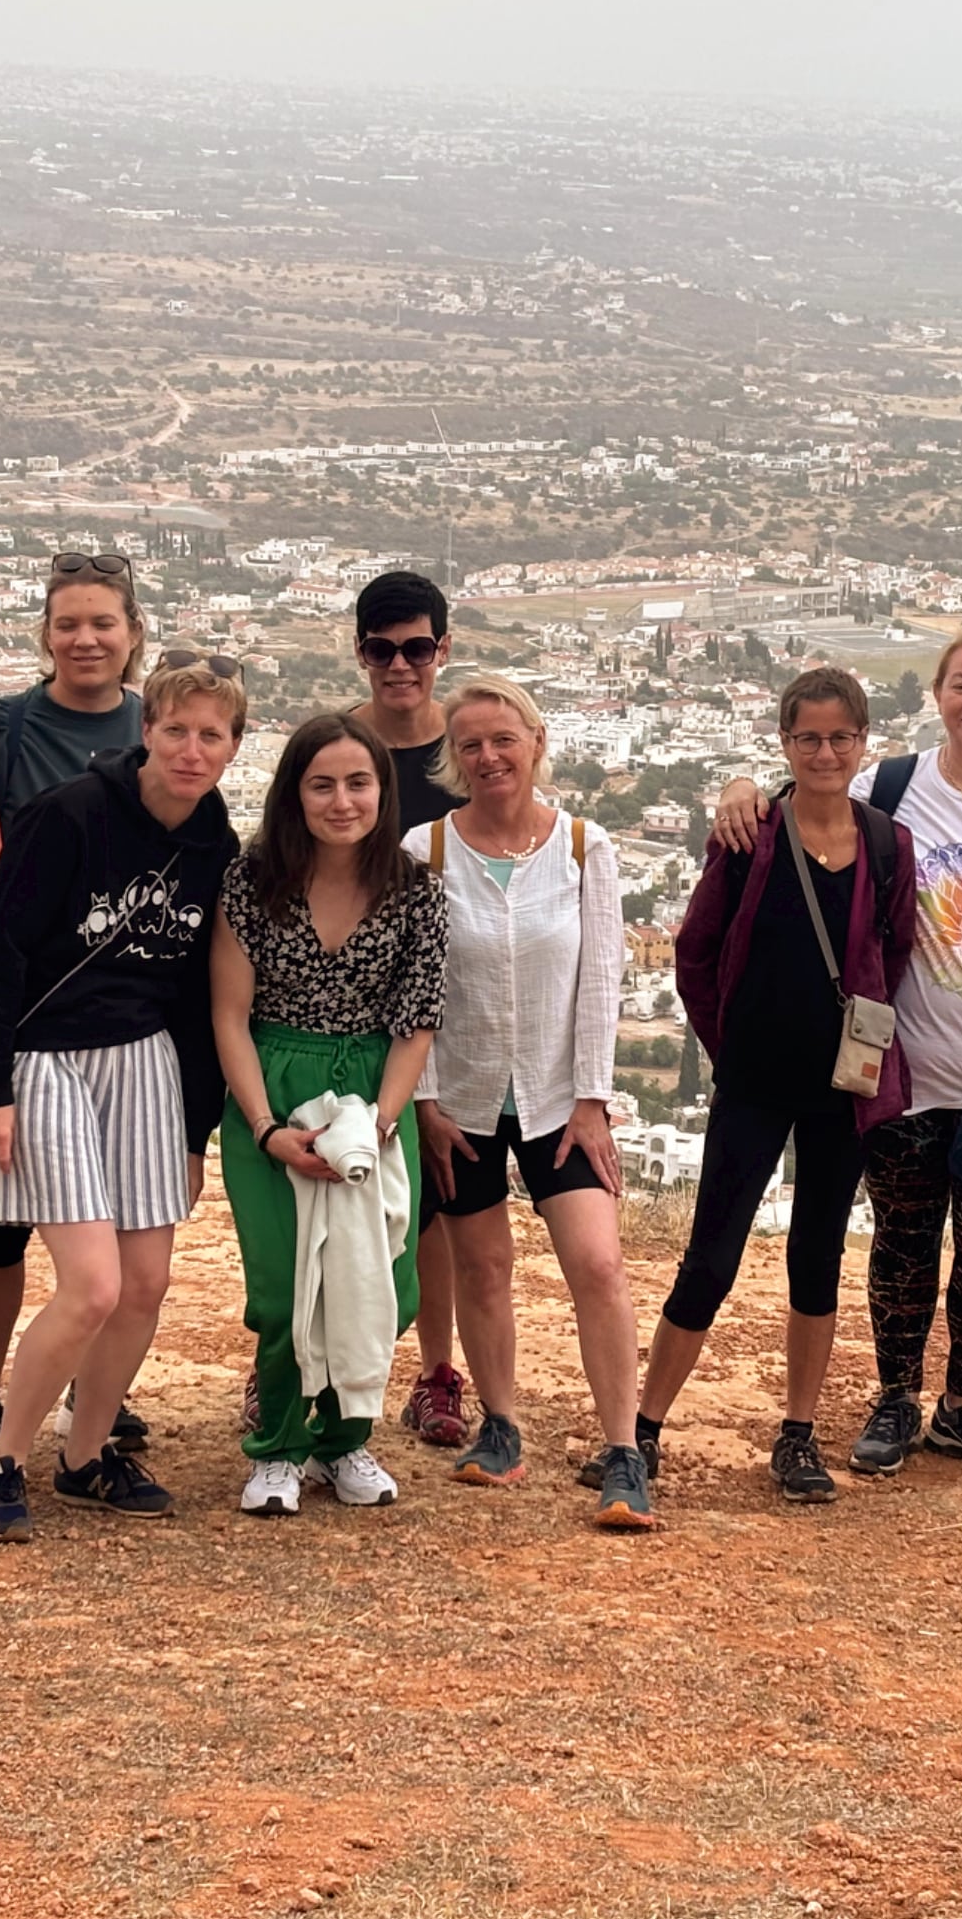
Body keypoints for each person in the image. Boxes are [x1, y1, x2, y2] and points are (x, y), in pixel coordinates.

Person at [712, 622, 962, 1478]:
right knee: (903, 1238)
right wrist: (743, 786)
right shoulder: (895, 787)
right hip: (903, 1063)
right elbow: (802, 816)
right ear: (937, 696)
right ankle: (895, 1397)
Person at [0, 653, 246, 1539]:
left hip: (145, 1063)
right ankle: (3, 1459)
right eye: (175, 730)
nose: (191, 750)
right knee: (88, 1286)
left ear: (234, 747)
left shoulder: (214, 844)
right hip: (47, 1059)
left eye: (212, 735)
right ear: (146, 730)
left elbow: (199, 1002)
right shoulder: (69, 814)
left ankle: (85, 1457)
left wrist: (195, 1131)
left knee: (145, 1283)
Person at [647, 668, 916, 1504]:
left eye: (841, 737)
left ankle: (797, 1434)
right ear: (784, 744)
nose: (826, 752)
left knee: (817, 1257)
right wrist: (728, 1044)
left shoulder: (885, 843)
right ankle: (642, 1430)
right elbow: (696, 951)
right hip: (756, 1079)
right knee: (711, 1256)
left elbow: (895, 951)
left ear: (863, 742)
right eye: (809, 738)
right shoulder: (751, 834)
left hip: (841, 1087)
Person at [407, 675, 656, 1531]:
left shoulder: (586, 847)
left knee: (597, 1265)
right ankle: (500, 1425)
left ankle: (623, 1448)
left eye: (502, 739)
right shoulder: (424, 852)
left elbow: (601, 980)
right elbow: (418, 989)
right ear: (453, 757)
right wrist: (428, 1101)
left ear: (536, 741)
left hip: (558, 1099)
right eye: (470, 744)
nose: (488, 757)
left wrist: (593, 1097)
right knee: (481, 1268)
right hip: (464, 1095)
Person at [213, 713, 446, 1516]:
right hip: (273, 1085)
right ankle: (277, 1447)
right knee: (284, 1291)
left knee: (382, 1281)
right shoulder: (252, 881)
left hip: (374, 1093)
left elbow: (418, 1023)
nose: (342, 801)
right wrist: (267, 1129)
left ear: (383, 791)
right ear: (294, 794)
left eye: (358, 782)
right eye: (322, 784)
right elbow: (230, 1015)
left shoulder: (416, 892)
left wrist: (377, 1126)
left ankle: (340, 1442)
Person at [0, 550, 153, 1481]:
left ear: (132, 635)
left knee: (111, 1230)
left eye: (103, 623)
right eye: (68, 623)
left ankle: (89, 1390)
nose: (85, 639)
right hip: (21, 1016)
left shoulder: (160, 732)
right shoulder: (2, 730)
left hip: (119, 1028)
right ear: (45, 634)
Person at [348, 568, 474, 1454]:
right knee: (323, 1189)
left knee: (432, 1200)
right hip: (345, 1001)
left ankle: (435, 1373)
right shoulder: (336, 744)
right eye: (384, 649)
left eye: (418, 648)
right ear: (361, 654)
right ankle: (283, 1361)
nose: (402, 666)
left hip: (448, 1002)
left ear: (443, 649)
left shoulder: (464, 750)